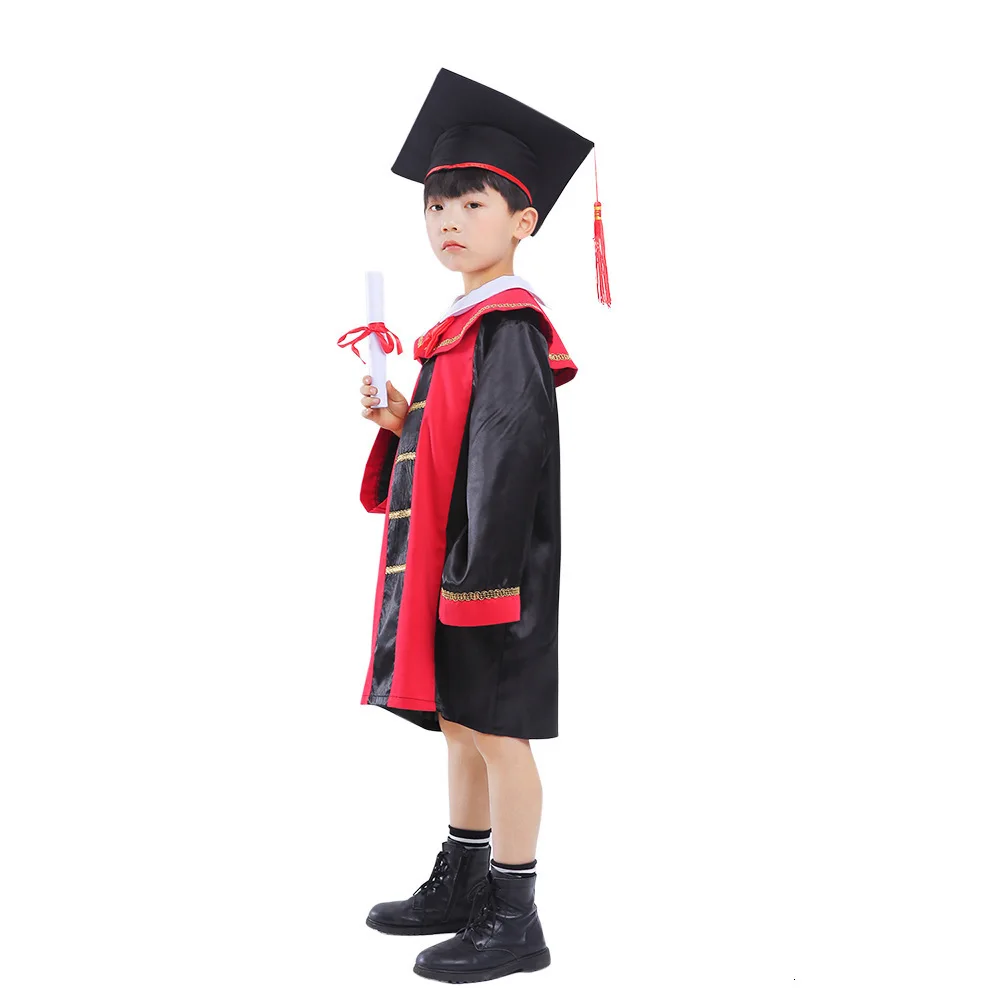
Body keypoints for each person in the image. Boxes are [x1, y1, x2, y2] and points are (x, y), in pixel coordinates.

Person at [343, 67, 608, 984]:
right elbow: (458, 439)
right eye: (436, 204)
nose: (449, 219)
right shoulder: (459, 326)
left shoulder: (512, 327)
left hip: (493, 575)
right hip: (459, 570)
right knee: (460, 725)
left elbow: (508, 458)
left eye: (472, 201)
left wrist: (481, 582)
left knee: (499, 733)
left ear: (524, 221)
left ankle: (515, 914)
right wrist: (400, 418)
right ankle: (460, 882)